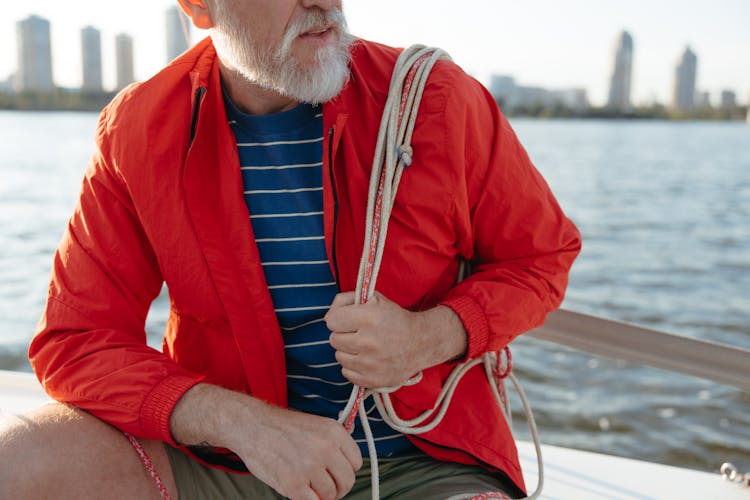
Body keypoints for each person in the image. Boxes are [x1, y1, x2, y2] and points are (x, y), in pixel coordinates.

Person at [0, 0, 581, 498]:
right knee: (17, 462)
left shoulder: (436, 100)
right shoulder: (138, 129)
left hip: (423, 465)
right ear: (201, 9)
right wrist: (241, 424)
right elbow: (76, 341)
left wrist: (426, 338)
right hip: (224, 459)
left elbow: (542, 257)